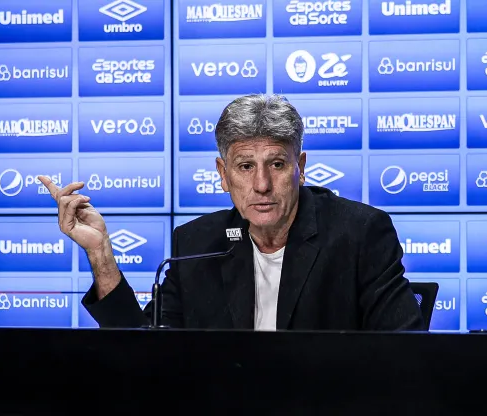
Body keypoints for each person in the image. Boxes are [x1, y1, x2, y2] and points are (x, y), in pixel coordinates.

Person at [39, 94, 425, 331]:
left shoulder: (358, 234)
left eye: (276, 164)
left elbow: (402, 354)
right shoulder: (196, 244)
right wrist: (101, 255)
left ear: (300, 167)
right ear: (223, 175)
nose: (261, 185)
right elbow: (146, 356)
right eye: (245, 167)